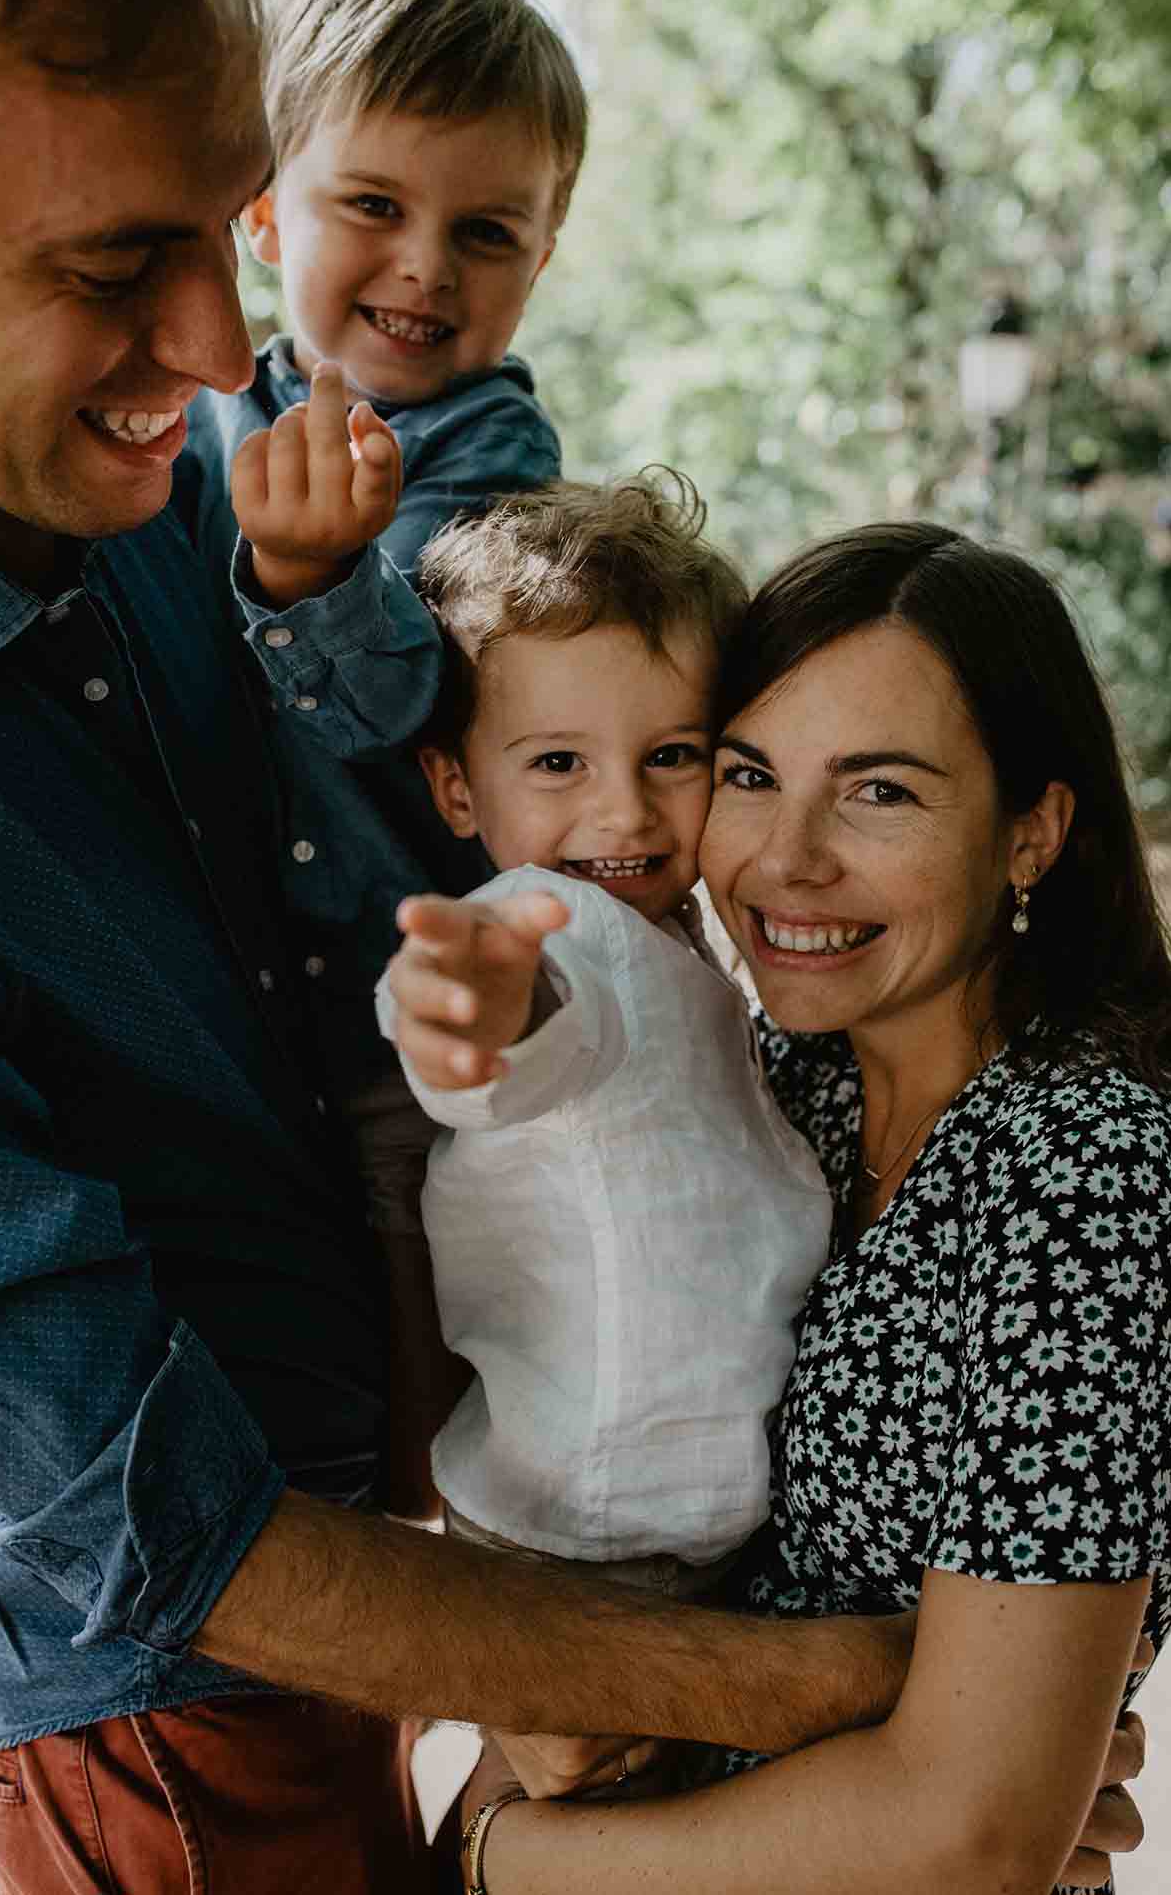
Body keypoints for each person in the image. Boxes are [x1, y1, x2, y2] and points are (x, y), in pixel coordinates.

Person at [0, 5, 958, 1891]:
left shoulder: (178, 479)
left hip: (379, 1606)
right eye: (120, 262)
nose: (209, 350)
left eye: (224, 224)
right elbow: (133, 1513)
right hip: (161, 1717)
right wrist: (854, 1708)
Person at [389, 522, 1171, 1895]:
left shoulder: (1088, 1176)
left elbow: (967, 1836)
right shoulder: (786, 1073)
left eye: (879, 793)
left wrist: (505, 1856)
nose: (781, 860)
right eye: (747, 775)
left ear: (1028, 829)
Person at [182, 0, 587, 1513]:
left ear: (539, 262)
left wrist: (307, 580)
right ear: (266, 211)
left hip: (396, 1006)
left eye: (486, 233)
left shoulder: (490, 457)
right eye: (372, 204)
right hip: (237, 1008)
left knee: (433, 1357)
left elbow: (393, 698)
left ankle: (456, 1617)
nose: (424, 265)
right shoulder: (207, 408)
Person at [372, 475, 832, 1600]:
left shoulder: (677, 935)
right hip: (584, 1540)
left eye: (671, 755)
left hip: (652, 1524)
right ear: (457, 789)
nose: (622, 810)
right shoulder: (554, 927)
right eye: (557, 763)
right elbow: (523, 1033)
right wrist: (469, 1017)